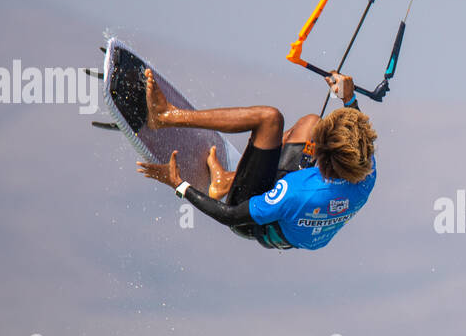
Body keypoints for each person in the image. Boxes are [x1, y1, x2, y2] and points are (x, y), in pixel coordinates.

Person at [136, 69, 377, 250]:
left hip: (254, 224)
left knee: (269, 119)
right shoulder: (365, 172)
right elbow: (356, 139)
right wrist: (348, 98)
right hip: (306, 206)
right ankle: (225, 180)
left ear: (322, 156)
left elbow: (228, 216)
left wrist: (179, 184)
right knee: (312, 122)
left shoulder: (295, 192)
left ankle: (167, 115)